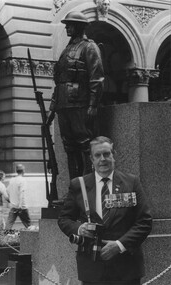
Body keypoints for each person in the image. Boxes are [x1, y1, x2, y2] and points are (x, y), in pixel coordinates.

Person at [58, 136, 152, 285]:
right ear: (91, 159)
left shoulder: (131, 182)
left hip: (126, 268)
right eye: (97, 155)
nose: (103, 159)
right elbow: (64, 219)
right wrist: (78, 228)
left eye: (107, 154)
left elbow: (144, 222)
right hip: (92, 268)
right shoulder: (79, 185)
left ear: (114, 154)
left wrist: (120, 245)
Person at [47, 11, 104, 179]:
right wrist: (52, 108)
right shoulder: (66, 50)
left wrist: (93, 104)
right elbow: (59, 83)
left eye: (70, 24)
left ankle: (90, 184)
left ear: (79, 27)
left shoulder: (89, 47)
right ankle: (75, 188)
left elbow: (97, 78)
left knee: (85, 145)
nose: (66, 27)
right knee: (69, 147)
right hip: (63, 105)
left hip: (80, 104)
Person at [5, 164, 31, 230]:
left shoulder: (12, 180)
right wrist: (20, 205)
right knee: (28, 224)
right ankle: (34, 238)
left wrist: (9, 200)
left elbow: (6, 191)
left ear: (16, 171)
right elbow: (22, 193)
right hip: (22, 206)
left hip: (13, 206)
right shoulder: (23, 180)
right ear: (23, 171)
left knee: (9, 223)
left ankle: (4, 238)